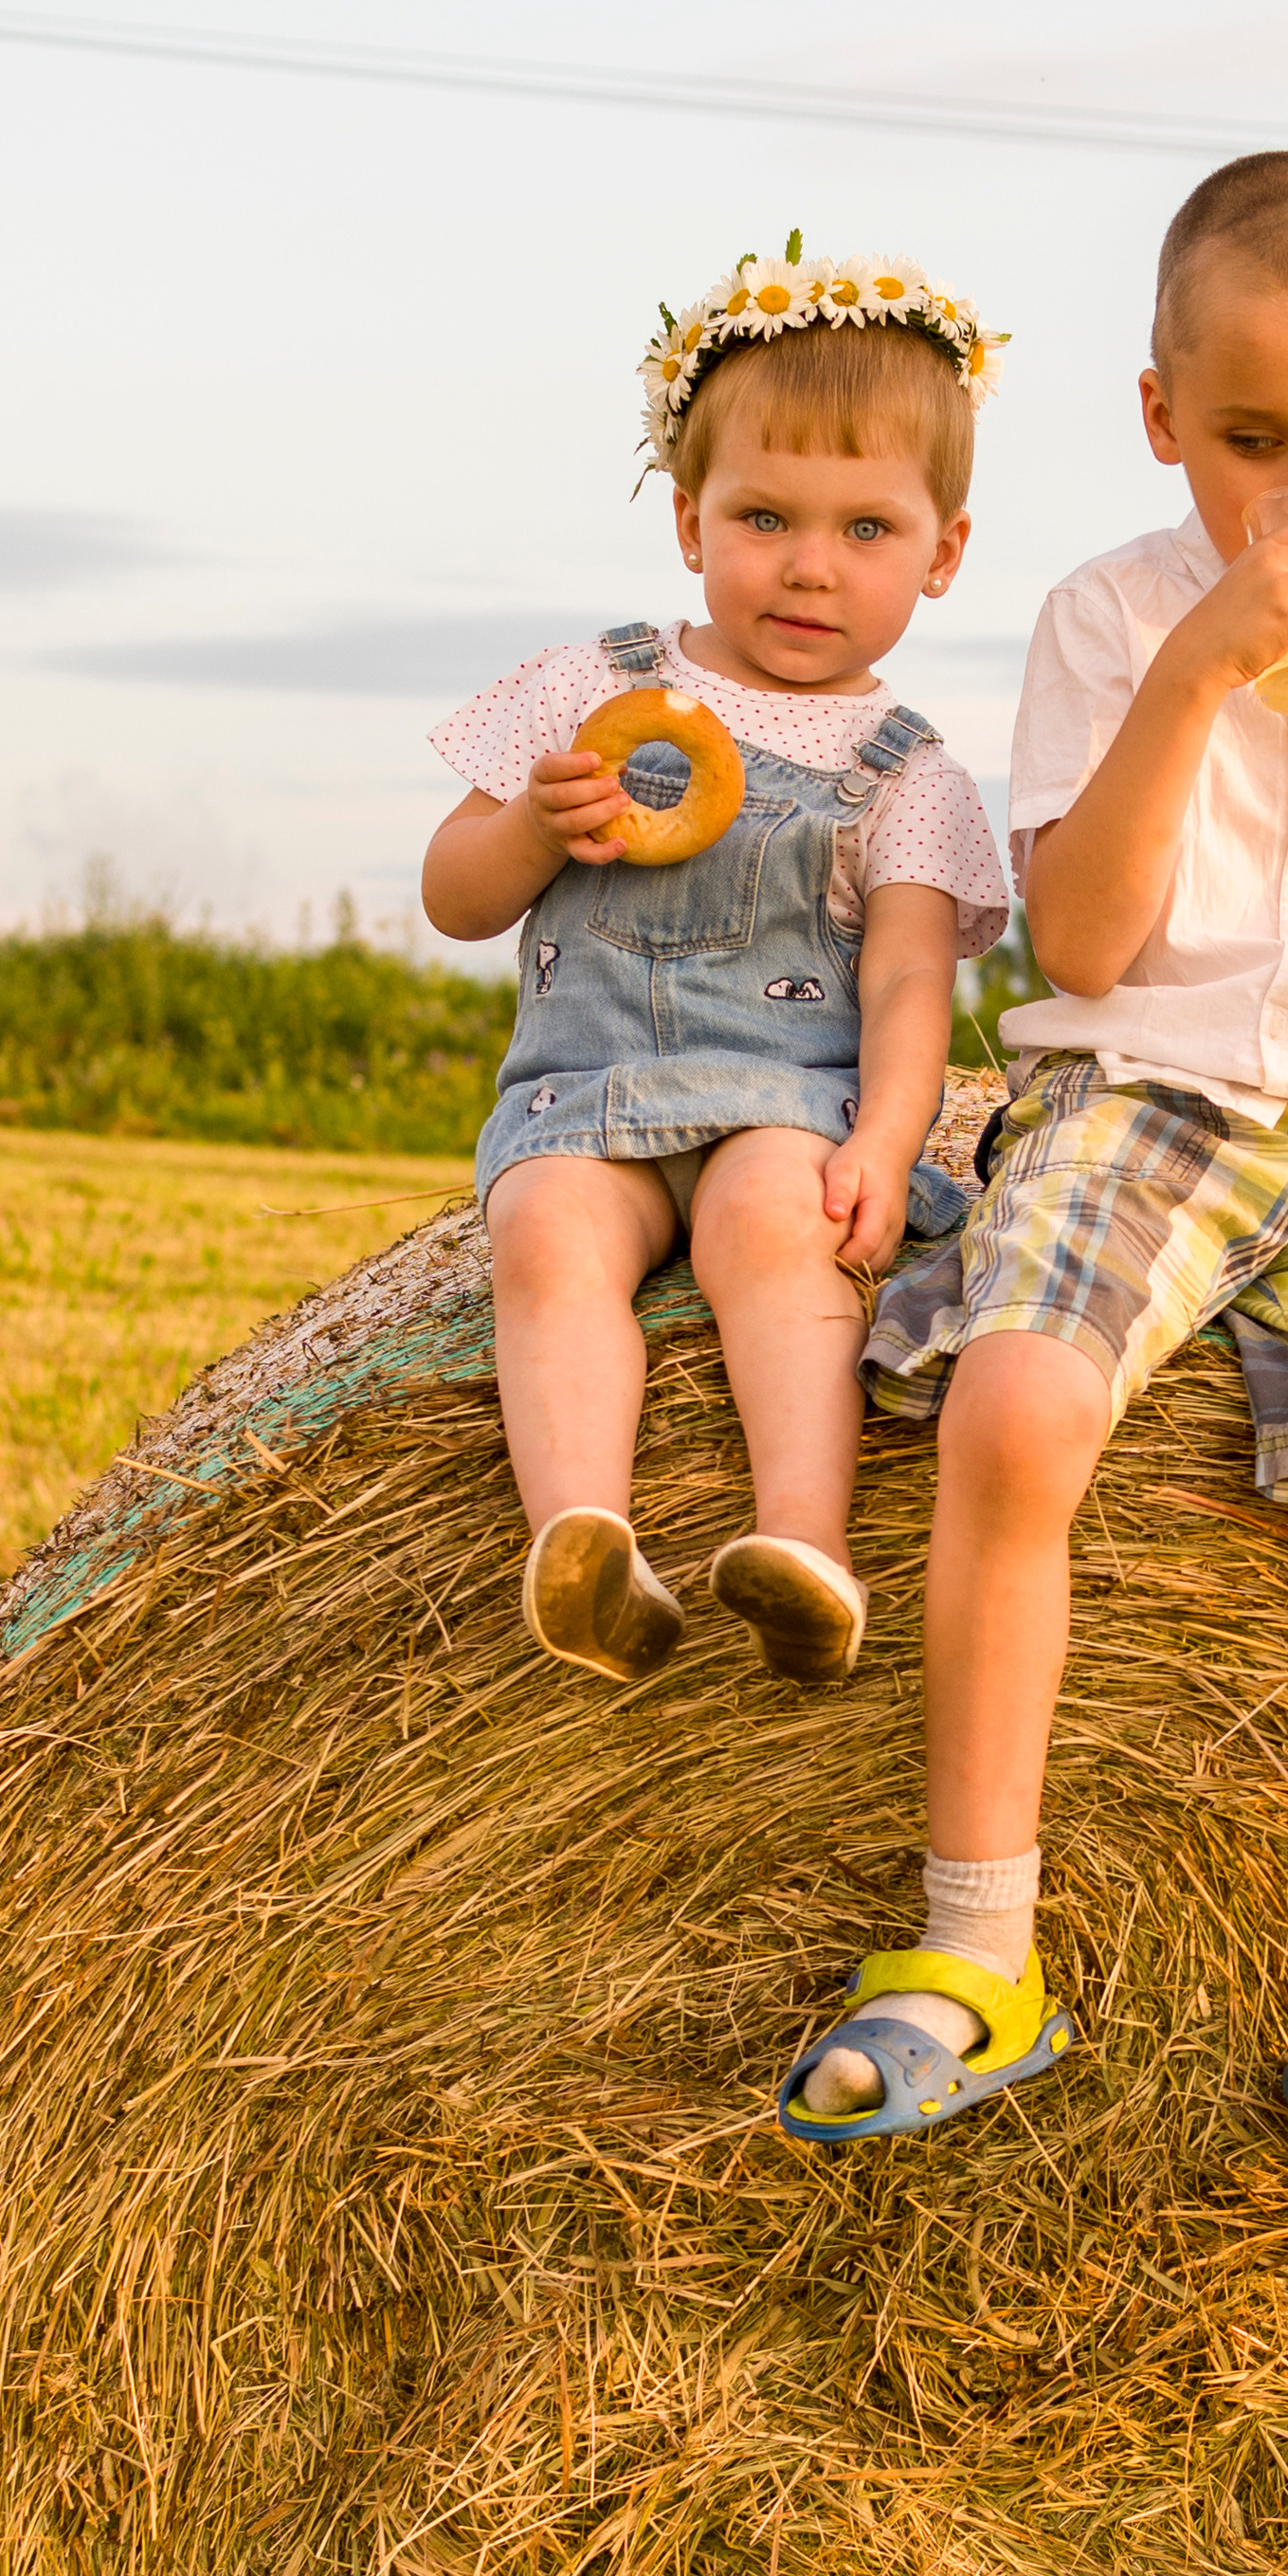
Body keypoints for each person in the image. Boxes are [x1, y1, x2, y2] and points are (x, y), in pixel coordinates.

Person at [780, 155, 1288, 2314]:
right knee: (1017, 1410)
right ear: (1162, 420)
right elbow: (1077, 936)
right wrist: (1205, 668)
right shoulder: (1107, 620)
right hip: (1144, 1090)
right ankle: (976, 1945)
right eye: (1251, 441)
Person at [421, 244, 1010, 1687]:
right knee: (546, 1238)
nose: (810, 564)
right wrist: (531, 827)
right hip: (585, 1103)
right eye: (764, 517)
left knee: (776, 1231)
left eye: (866, 528)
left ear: (943, 553)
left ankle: (803, 1544)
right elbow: (450, 896)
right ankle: (586, 1544)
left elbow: (910, 985)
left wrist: (885, 1142)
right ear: (690, 522)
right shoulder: (593, 687)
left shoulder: (909, 773)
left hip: (779, 1105)